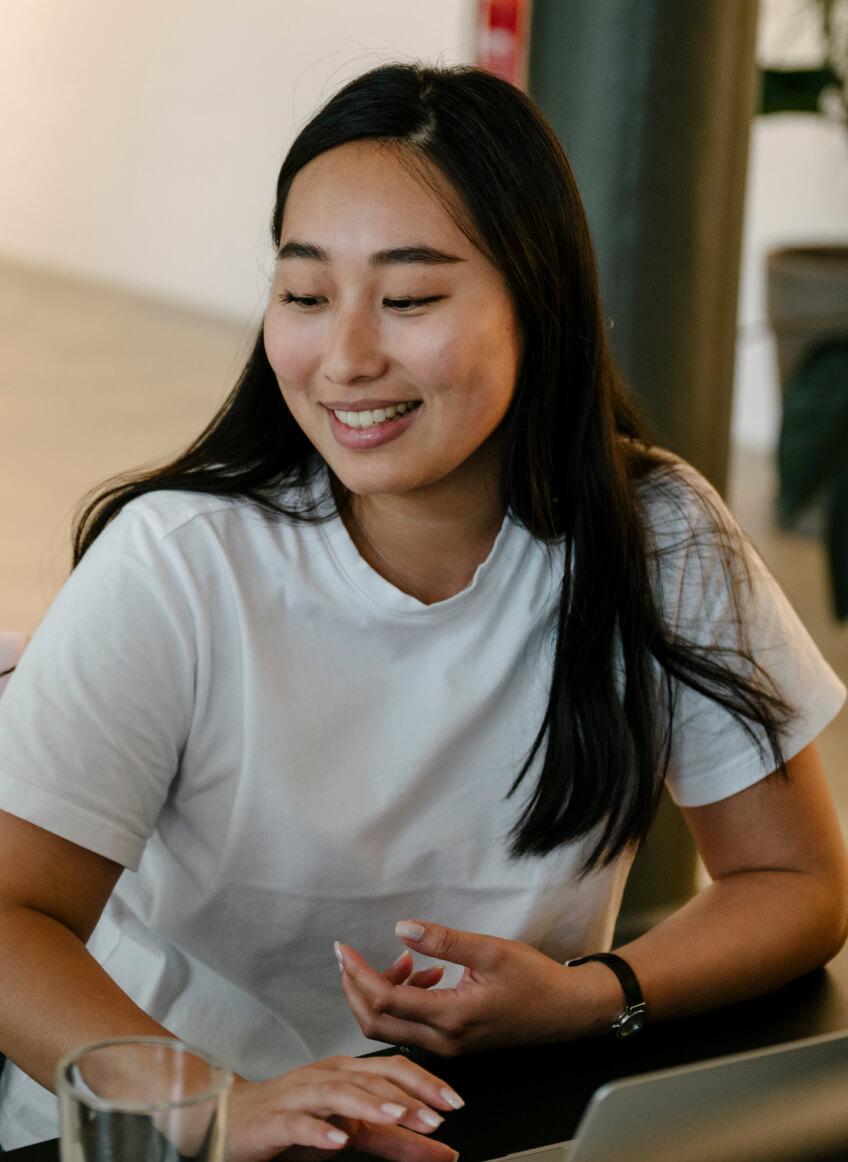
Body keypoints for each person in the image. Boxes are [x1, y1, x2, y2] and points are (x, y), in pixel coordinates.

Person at [0, 61, 846, 1156]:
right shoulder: (179, 561)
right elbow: (13, 919)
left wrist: (585, 994)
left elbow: (792, 879)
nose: (344, 357)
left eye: (406, 299)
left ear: (536, 302)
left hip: (480, 1122)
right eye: (304, 295)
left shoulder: (657, 535)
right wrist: (213, 1106)